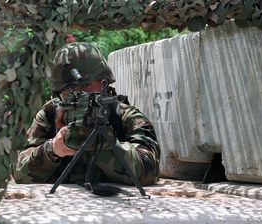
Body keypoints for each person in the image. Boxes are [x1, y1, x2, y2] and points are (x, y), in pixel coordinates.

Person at [11, 42, 160, 187]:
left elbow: (149, 171)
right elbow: (19, 172)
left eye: (85, 85)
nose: (78, 94)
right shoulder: (50, 114)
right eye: (69, 90)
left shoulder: (124, 116)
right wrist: (53, 150)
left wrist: (103, 142)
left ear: (104, 82)